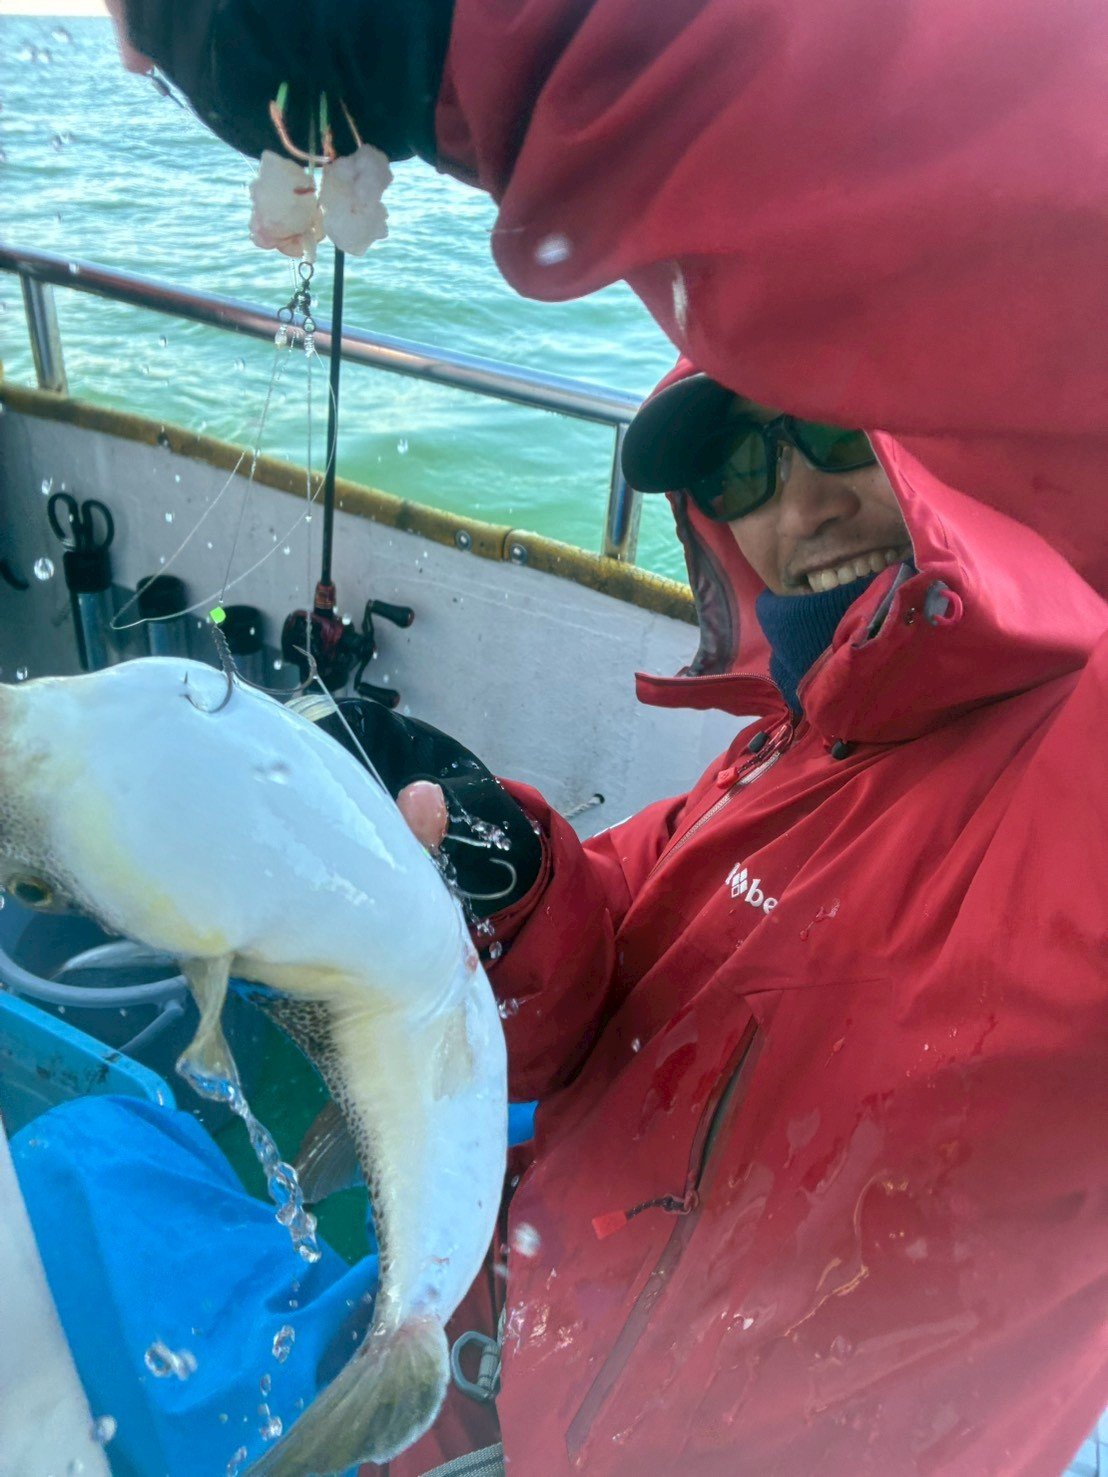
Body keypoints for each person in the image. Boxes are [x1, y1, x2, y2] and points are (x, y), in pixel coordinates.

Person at [310, 367, 1107, 1476]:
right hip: (524, 1353)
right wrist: (512, 875)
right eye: (740, 469)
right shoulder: (779, 749)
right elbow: (591, 980)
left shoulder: (1071, 776)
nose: (799, 508)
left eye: (843, 429)